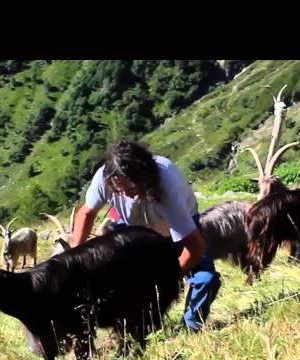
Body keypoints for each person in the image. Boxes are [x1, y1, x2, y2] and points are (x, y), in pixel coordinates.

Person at [70, 139, 221, 332]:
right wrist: (75, 255)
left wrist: (171, 277)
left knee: (204, 278)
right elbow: (87, 213)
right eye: (120, 190)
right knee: (121, 278)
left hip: (176, 229)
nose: (128, 195)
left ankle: (190, 327)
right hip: (136, 231)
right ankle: (129, 325)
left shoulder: (166, 187)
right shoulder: (104, 179)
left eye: (132, 189)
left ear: (145, 178)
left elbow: (195, 247)